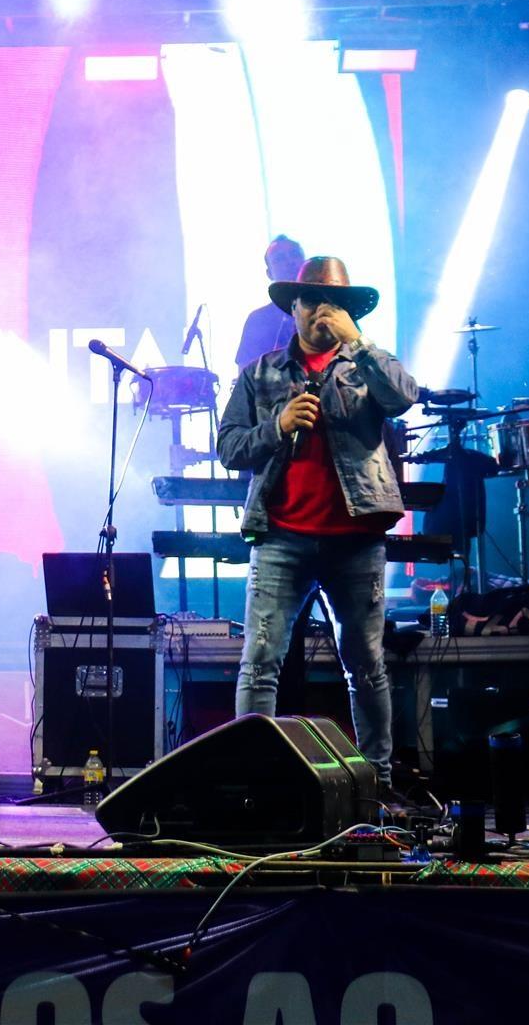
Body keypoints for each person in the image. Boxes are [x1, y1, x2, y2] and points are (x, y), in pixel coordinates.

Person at [216, 258, 417, 788]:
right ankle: (252, 784)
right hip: (281, 537)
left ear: (350, 312)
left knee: (365, 664)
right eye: (310, 300)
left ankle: (376, 784)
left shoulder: (368, 365)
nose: (321, 311)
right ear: (293, 308)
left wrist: (360, 343)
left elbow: (404, 396)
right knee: (260, 662)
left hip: (355, 541)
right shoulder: (260, 373)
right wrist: (277, 426)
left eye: (334, 302)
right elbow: (229, 448)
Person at [235, 235, 308, 372]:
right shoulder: (258, 320)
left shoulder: (330, 309)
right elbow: (245, 373)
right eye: (280, 258)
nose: (289, 262)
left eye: (294, 255)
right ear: (269, 274)